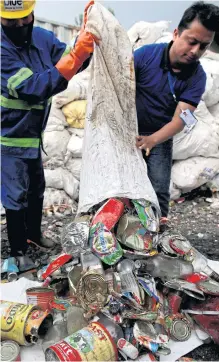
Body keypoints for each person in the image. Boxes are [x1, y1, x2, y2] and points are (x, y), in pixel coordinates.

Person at [1, 0, 97, 268]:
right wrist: (76, 57)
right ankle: (18, 251)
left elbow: (71, 61)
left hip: (33, 136)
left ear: (32, 13)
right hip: (9, 136)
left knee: (36, 189)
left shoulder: (42, 38)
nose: (19, 25)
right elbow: (34, 86)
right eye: (11, 21)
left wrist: (84, 47)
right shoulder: (1, 50)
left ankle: (33, 235)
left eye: (24, 18)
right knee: (15, 195)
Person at [134, 1, 219, 230]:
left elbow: (180, 120)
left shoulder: (197, 78)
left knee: (159, 188)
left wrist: (152, 140)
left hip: (160, 138)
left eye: (203, 46)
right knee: (125, 186)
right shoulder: (144, 56)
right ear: (176, 33)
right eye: (191, 42)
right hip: (128, 133)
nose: (195, 51)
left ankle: (156, 234)